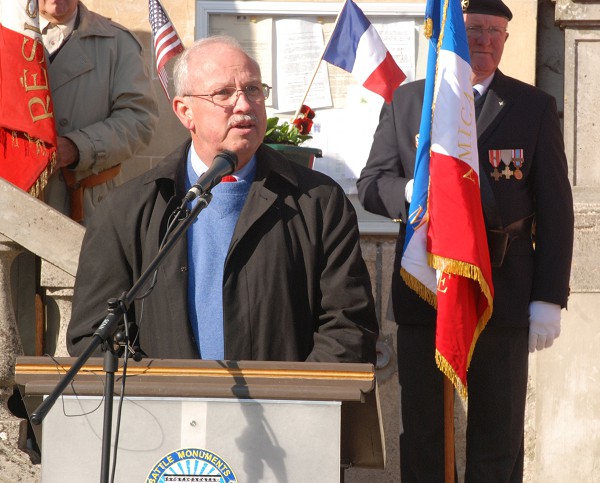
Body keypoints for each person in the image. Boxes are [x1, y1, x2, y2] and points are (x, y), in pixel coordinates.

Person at [357, 0, 574, 480]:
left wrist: (547, 299)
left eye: (496, 32)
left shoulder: (532, 107)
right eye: (474, 29)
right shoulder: (409, 102)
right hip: (427, 286)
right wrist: (412, 190)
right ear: (452, 34)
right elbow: (370, 184)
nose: (484, 41)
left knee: (498, 433)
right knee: (425, 434)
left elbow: (557, 210)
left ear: (505, 39)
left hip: (503, 287)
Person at [66, 36, 379, 365]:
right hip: (165, 410)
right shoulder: (127, 210)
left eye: (253, 90)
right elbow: (93, 335)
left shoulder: (319, 202)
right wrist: (162, 395)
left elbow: (348, 328)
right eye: (224, 93)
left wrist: (290, 398)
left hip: (286, 409)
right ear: (185, 111)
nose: (244, 105)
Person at [39, 0, 158, 223]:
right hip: (13, 204)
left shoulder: (117, 42)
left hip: (86, 206)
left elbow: (139, 121)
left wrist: (77, 147)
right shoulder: (8, 36)